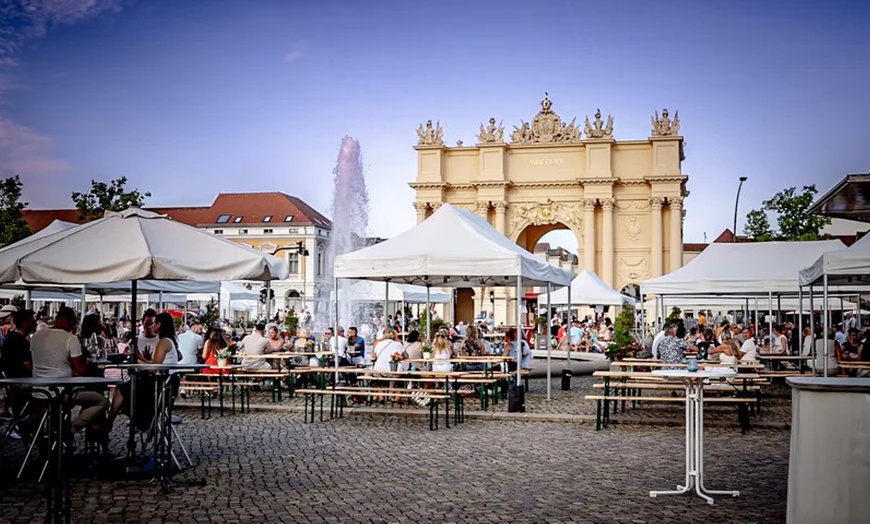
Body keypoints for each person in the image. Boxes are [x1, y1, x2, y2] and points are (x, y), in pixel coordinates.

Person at [30, 307, 109, 433]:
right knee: (102, 401)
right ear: (69, 321)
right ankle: (72, 427)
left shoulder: (36, 336)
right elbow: (81, 369)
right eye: (74, 322)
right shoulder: (70, 339)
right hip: (62, 393)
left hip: (38, 391)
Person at [108, 312, 179, 432]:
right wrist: (141, 358)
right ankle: (135, 422)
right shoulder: (168, 341)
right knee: (123, 390)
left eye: (154, 323)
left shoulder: (163, 342)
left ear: (159, 324)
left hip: (158, 386)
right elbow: (156, 364)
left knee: (121, 390)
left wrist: (137, 361)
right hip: (163, 383)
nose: (152, 326)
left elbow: (153, 368)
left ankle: (110, 423)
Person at [0, 308, 35, 379]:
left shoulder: (9, 339)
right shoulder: (22, 342)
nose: (34, 324)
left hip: (11, 381)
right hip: (22, 382)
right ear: (24, 323)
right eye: (32, 322)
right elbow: (27, 365)